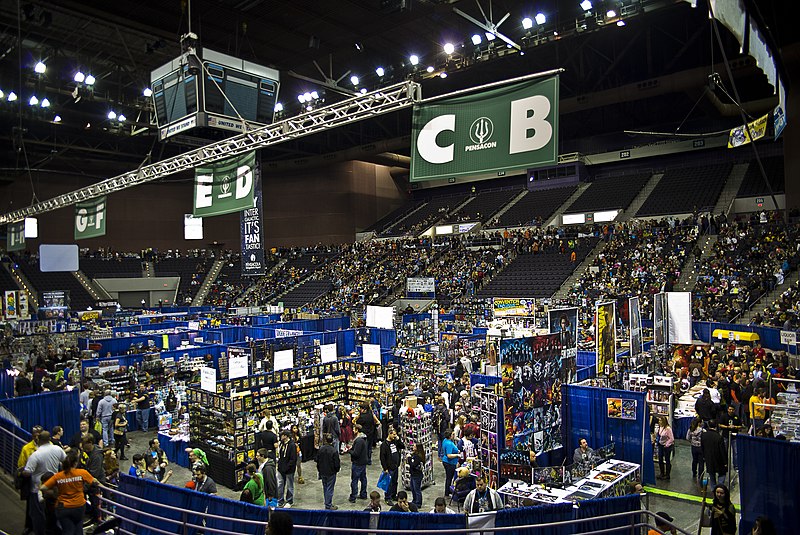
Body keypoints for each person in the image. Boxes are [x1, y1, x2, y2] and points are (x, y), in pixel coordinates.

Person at [40, 450, 98, 535]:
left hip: (63, 507)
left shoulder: (58, 476)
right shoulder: (82, 472)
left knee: (67, 531)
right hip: (79, 506)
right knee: (78, 529)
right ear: (75, 463)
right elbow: (94, 482)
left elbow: (43, 487)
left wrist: (53, 493)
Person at [23, 430, 65, 535]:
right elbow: (66, 461)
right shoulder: (57, 449)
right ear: (49, 439)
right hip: (54, 488)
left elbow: (28, 472)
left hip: (38, 489)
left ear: (39, 440)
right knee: (53, 513)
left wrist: (21, 472)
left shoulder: (36, 454)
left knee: (37, 514)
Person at [379, 426, 403, 505]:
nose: (395, 436)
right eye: (394, 434)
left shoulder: (395, 441)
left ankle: (393, 495)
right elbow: (382, 457)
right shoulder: (384, 445)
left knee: (394, 482)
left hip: (395, 466)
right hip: (389, 467)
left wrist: (398, 439)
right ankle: (387, 497)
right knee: (389, 483)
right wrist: (385, 468)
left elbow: (402, 446)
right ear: (389, 434)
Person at [315, 433, 340, 510]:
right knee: (330, 488)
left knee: (325, 487)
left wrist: (319, 469)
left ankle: (327, 502)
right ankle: (328, 504)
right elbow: (337, 463)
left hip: (322, 471)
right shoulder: (334, 451)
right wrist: (336, 470)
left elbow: (317, 460)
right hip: (331, 472)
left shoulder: (321, 449)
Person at [701, 421, 727, 486]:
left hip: (708, 458)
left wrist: (704, 457)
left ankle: (713, 488)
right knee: (722, 474)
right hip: (718, 459)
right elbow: (722, 451)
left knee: (711, 474)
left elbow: (702, 447)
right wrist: (725, 462)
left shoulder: (704, 435)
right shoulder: (719, 437)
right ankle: (720, 487)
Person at [347, 425, 369, 503]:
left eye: (354, 429)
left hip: (358, 463)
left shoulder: (359, 440)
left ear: (357, 430)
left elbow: (356, 453)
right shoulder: (363, 438)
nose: (352, 430)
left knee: (355, 480)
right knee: (363, 478)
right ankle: (363, 494)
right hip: (363, 462)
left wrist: (349, 450)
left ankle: (353, 496)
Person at [277, 430, 298, 507]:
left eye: (282, 435)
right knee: (280, 485)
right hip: (280, 469)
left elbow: (293, 459)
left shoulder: (292, 445)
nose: (280, 437)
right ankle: (280, 500)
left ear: (285, 436)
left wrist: (287, 468)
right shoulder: (282, 444)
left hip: (289, 470)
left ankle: (289, 500)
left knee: (289, 485)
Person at [440, 428, 460, 495]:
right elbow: (449, 455)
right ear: (450, 435)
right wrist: (457, 455)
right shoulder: (449, 444)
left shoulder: (445, 440)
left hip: (446, 461)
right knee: (449, 478)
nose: (454, 435)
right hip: (450, 463)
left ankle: (447, 490)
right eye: (453, 434)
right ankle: (447, 492)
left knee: (448, 477)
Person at [655, 416, 674, 480]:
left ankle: (667, 474)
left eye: (661, 421)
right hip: (661, 445)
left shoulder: (668, 429)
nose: (659, 422)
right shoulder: (660, 427)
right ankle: (662, 473)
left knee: (667, 460)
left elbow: (671, 438)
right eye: (659, 420)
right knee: (660, 459)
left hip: (667, 446)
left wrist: (667, 444)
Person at [408, 443, 425, 509]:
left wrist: (409, 458)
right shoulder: (416, 455)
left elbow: (413, 465)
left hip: (417, 476)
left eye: (414, 446)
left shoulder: (418, 457)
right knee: (413, 488)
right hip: (414, 475)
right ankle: (414, 500)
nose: (413, 447)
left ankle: (418, 503)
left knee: (417, 489)